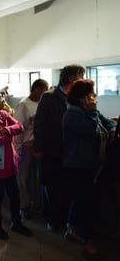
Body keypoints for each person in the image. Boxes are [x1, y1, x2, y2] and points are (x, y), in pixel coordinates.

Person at [62, 79, 116, 260]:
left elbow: (110, 125)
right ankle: (87, 241)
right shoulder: (73, 114)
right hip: (78, 166)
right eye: (90, 95)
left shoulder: (91, 112)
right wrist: (93, 113)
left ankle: (73, 229)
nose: (94, 99)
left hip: (92, 165)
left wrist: (110, 126)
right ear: (81, 98)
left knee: (84, 200)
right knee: (85, 202)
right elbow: (90, 132)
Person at [33, 64, 85, 231]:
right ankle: (52, 219)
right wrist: (39, 148)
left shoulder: (76, 98)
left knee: (66, 186)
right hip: (51, 149)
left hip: (70, 151)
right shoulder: (49, 97)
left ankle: (62, 219)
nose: (82, 80)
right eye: (81, 76)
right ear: (71, 78)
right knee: (51, 185)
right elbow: (39, 124)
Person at [0, 88, 33, 240]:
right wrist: (8, 134)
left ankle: (16, 223)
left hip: (9, 165)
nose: (2, 101)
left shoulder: (3, 114)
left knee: (14, 196)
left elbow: (20, 127)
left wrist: (5, 130)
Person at [13, 79, 49, 219]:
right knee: (23, 177)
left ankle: (37, 204)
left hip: (39, 144)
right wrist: (17, 149)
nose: (46, 94)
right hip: (27, 146)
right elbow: (18, 129)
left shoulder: (42, 104)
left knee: (38, 177)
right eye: (44, 90)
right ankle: (24, 205)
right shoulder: (23, 105)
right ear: (36, 89)